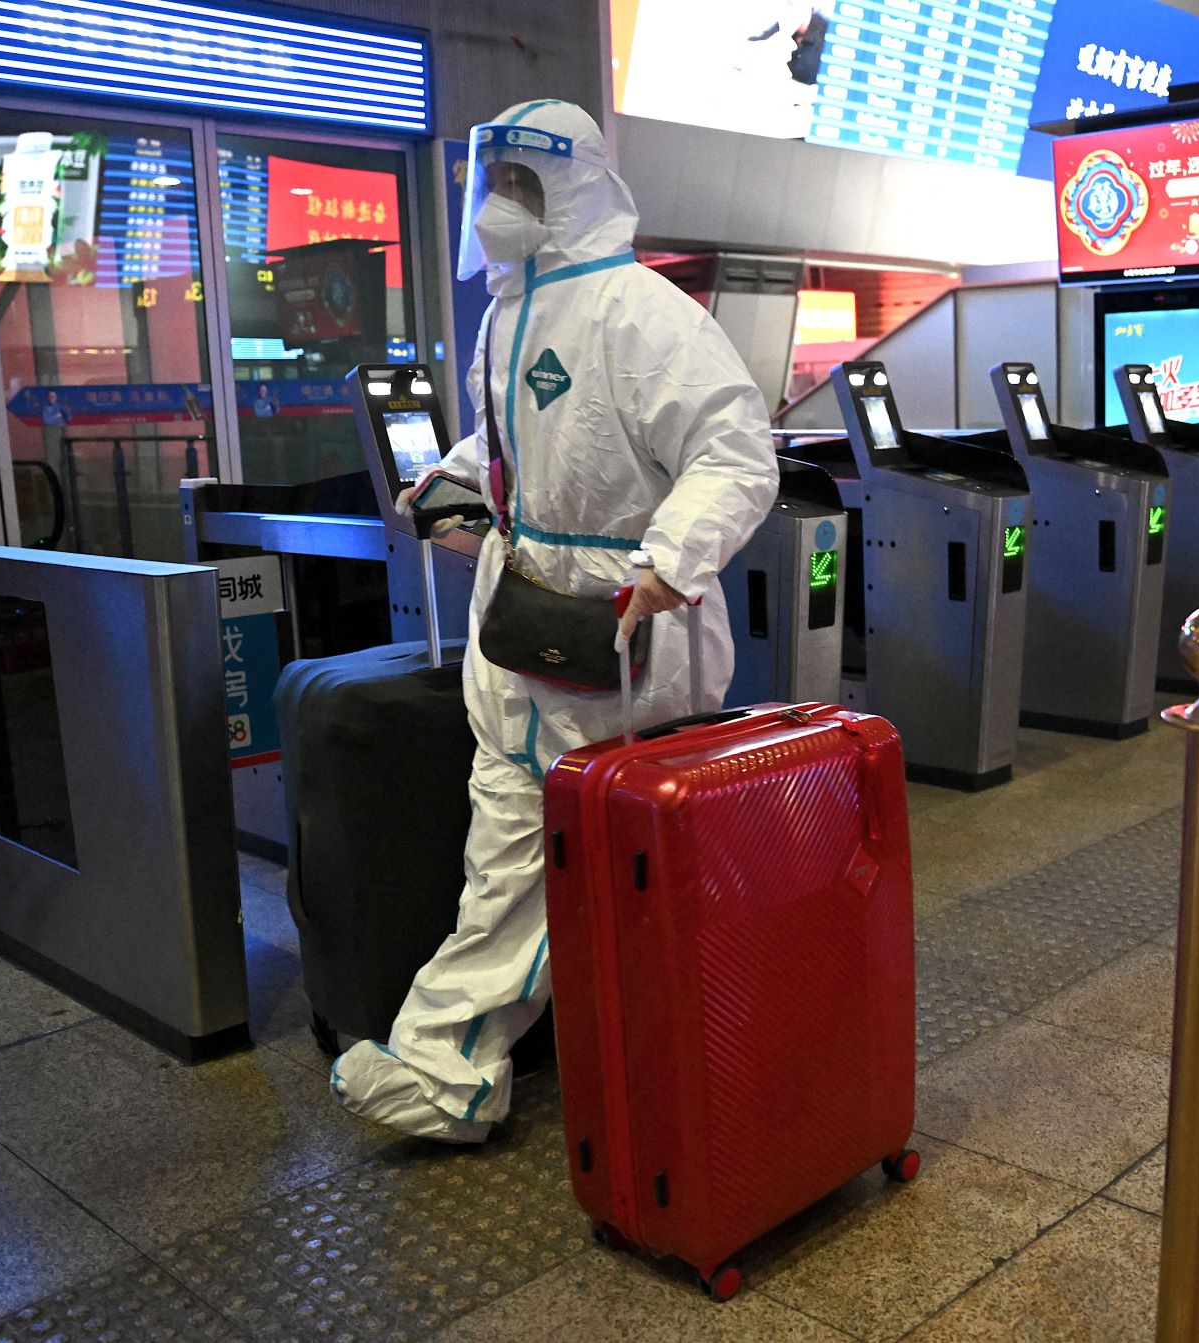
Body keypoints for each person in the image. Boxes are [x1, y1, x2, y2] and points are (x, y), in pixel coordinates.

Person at [331, 99, 778, 1142]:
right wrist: (447, 486)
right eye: (489, 185)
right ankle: (479, 1064)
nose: (497, 209)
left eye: (521, 187)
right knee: (515, 847)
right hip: (520, 622)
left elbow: (732, 452)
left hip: (616, 638)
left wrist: (665, 565)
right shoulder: (505, 313)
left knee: (572, 857)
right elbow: (507, 443)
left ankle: (469, 1065)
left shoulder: (643, 313)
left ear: (572, 187)